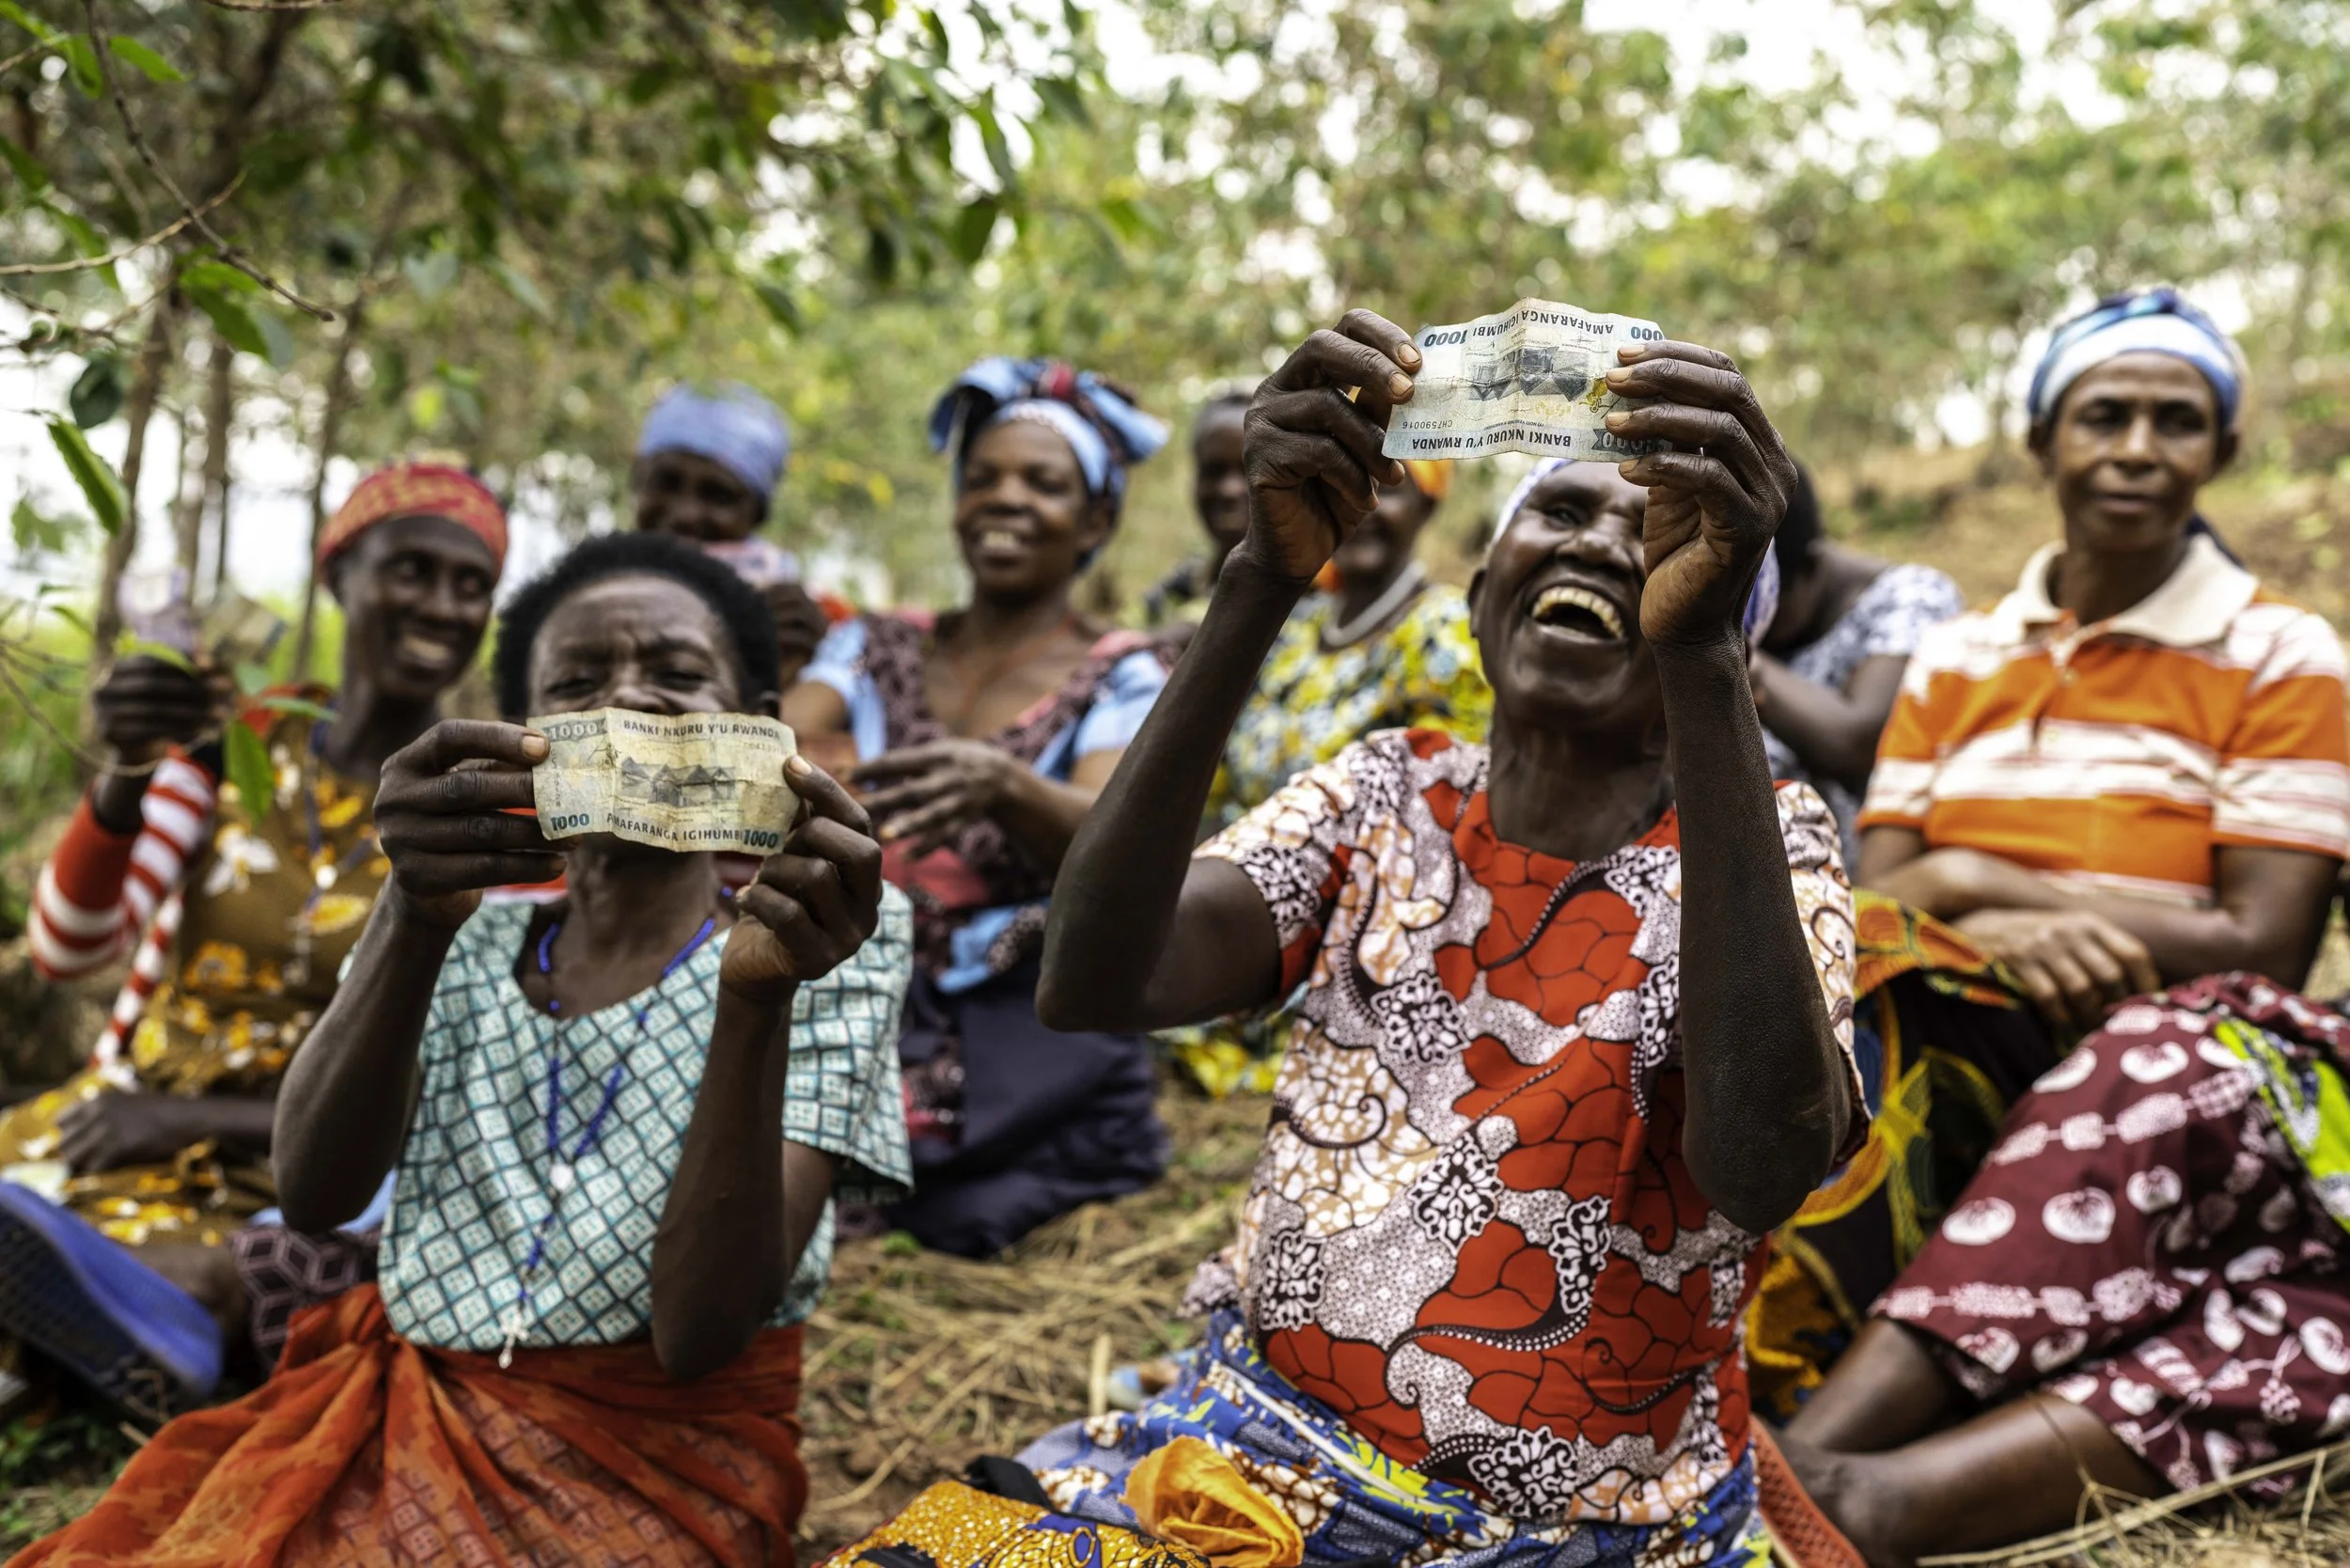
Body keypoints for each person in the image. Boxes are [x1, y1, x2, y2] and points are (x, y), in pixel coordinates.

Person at [1017, 311, 1864, 1566]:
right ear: (1479, 593)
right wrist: (1261, 576)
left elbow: (1761, 1169)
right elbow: (1098, 975)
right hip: (1253, 1458)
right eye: (1561, 513)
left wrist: (1700, 660)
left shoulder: (1763, 848)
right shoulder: (1385, 795)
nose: (1602, 546)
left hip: (1576, 1539)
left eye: (1652, 536)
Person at [12, 531, 910, 1567]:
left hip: (660, 1468)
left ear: (757, 733)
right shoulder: (465, 933)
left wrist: (754, 999)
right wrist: (412, 908)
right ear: (523, 736)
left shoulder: (834, 944)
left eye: (676, 674)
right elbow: (314, 1192)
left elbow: (699, 1336)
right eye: (577, 680)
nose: (627, 700)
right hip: (406, 1409)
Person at [1746, 287, 2350, 1418]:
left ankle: (1791, 1404)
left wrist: (1973, 888)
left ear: (2219, 449)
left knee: (1896, 1015)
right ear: (2040, 442)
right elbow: (1880, 896)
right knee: (1804, 979)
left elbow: (2259, 947)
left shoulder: (2284, 655)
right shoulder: (1958, 655)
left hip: (2152, 1051)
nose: (2135, 450)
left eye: (2175, 421)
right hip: (1934, 989)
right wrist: (1987, 905)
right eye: (2102, 414)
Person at [0, 462, 507, 1419]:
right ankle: (98, 1347)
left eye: (470, 584)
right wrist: (125, 774)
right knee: (41, 1217)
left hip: (312, 1164)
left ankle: (123, 1335)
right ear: (339, 576)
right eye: (411, 570)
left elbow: (453, 1073)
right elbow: (72, 948)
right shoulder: (237, 752)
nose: (442, 605)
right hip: (118, 1121)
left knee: (176, 1266)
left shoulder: (476, 806)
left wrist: (187, 1121)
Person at [786, 356, 1174, 1258]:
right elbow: (778, 759)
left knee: (942, 1182)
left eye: (1044, 483)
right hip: (848, 980)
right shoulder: (870, 644)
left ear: (1098, 520)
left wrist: (1005, 785)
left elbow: (1119, 842)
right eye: (984, 478)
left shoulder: (1120, 676)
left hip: (1010, 1014)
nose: (1006, 500)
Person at [1770, 975, 2350, 1568]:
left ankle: (1874, 1509)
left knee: (2310, 1348)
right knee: (2155, 1069)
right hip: (2318, 1085)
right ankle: (1790, 1463)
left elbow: (2263, 928)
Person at [1753, 463, 1963, 867]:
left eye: (1760, 606)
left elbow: (1859, 740)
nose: (1755, 624)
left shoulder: (1913, 599)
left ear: (1810, 570)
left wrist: (1720, 643)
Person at [635, 382, 831, 689]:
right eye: (666, 482)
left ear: (758, 514)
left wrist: (807, 665)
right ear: (637, 481)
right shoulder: (574, 596)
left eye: (718, 495)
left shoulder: (793, 618)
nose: (686, 514)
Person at [1142, 389, 1251, 634]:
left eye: (1249, 469)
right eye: (1214, 471)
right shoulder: (1170, 595)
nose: (1229, 490)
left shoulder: (1323, 595)